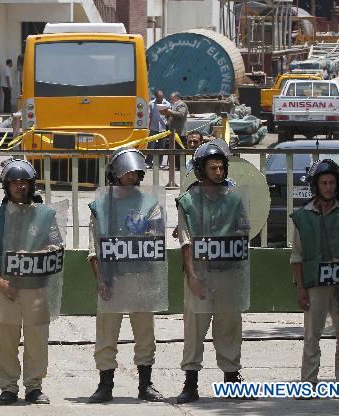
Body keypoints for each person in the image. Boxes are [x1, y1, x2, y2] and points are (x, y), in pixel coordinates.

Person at [0, 158, 66, 405]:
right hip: (8, 289)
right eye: (14, 183)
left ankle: (34, 386)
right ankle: (7, 387)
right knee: (6, 338)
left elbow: (56, 246)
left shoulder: (46, 215)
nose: (20, 187)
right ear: (6, 186)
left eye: (24, 183)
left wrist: (37, 255)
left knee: (37, 337)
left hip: (36, 288)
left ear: (32, 185)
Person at [87, 147, 166, 403]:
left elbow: (155, 241)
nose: (132, 176)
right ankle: (105, 384)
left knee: (145, 333)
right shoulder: (101, 205)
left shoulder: (149, 203)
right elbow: (95, 249)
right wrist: (101, 279)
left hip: (141, 276)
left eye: (135, 172)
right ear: (115, 173)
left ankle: (145, 383)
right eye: (127, 171)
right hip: (113, 278)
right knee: (106, 334)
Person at [175, 139, 252, 403]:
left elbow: (243, 233)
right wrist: (192, 276)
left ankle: (232, 380)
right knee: (194, 329)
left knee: (229, 325)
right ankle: (190, 383)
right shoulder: (187, 201)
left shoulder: (234, 198)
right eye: (213, 168)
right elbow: (185, 241)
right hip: (200, 274)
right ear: (201, 169)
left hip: (228, 272)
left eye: (221, 167)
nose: (218, 172)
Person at [291, 159, 339, 399]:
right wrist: (301, 288)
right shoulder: (303, 216)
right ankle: (308, 382)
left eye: (332, 182)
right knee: (312, 333)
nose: (328, 187)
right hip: (315, 284)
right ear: (315, 185)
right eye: (324, 182)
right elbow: (297, 256)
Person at [145, 90, 169, 167]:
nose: (160, 99)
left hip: (163, 128)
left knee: (161, 147)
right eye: (159, 97)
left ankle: (159, 163)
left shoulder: (167, 104)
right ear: (156, 97)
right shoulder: (151, 104)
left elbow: (169, 116)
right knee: (151, 146)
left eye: (161, 97)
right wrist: (148, 127)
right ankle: (148, 162)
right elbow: (149, 115)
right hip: (153, 127)